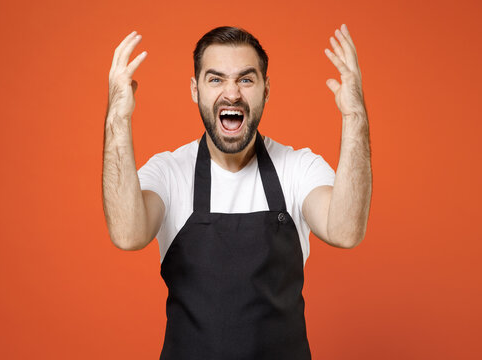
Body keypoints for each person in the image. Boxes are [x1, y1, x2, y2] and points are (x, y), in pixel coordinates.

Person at [102, 24, 372, 360]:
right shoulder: (169, 171)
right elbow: (127, 234)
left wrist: (355, 116)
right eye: (215, 79)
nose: (232, 94)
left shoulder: (297, 167)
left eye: (246, 79)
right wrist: (118, 116)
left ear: (266, 88)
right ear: (195, 90)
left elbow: (346, 231)